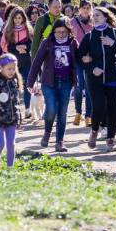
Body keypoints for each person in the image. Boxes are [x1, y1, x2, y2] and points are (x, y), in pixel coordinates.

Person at [77, 6, 116, 150]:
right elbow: (79, 57)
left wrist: (113, 44)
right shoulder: (89, 36)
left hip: (113, 76)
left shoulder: (115, 34)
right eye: (94, 15)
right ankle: (94, 131)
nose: (95, 17)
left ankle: (111, 140)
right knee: (99, 107)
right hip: (95, 79)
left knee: (113, 109)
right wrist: (91, 67)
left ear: (106, 17)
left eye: (98, 15)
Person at [27, 19, 79, 153]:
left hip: (66, 81)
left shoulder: (73, 43)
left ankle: (59, 142)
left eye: (64, 32)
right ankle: (47, 132)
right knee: (51, 109)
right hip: (49, 82)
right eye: (58, 32)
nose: (61, 34)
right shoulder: (47, 42)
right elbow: (37, 61)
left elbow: (78, 59)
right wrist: (30, 82)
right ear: (54, 31)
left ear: (68, 31)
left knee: (62, 112)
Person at [2, 7, 34, 118]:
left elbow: (32, 44)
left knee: (26, 85)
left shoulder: (29, 29)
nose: (17, 20)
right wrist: (16, 48)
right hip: (13, 63)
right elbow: (6, 46)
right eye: (15, 18)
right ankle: (15, 109)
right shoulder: (8, 30)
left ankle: (27, 108)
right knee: (13, 86)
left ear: (23, 18)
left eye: (19, 18)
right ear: (12, 18)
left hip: (26, 61)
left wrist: (25, 47)